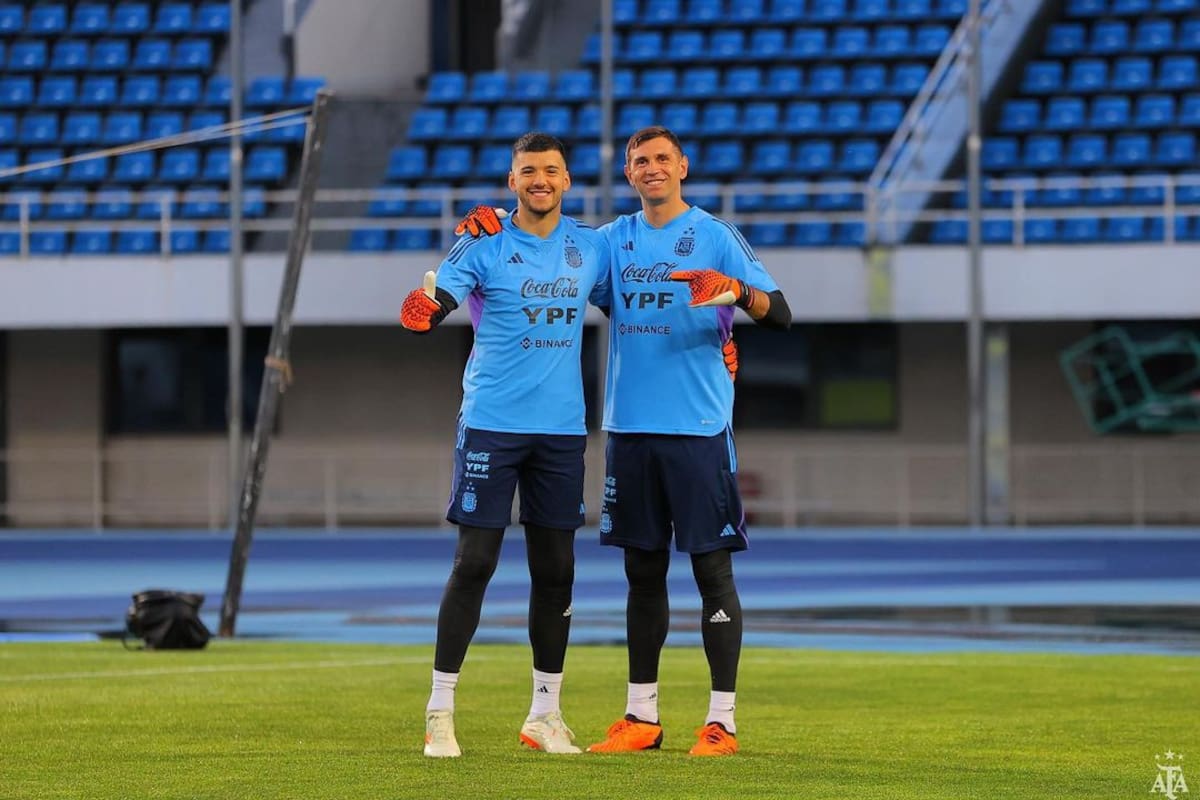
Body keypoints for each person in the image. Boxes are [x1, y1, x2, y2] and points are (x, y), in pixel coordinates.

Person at [455, 126, 791, 757]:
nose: (652, 168)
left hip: (697, 428)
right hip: (629, 429)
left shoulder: (716, 236)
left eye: (663, 158)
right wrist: (489, 222)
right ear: (630, 175)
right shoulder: (611, 243)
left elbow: (781, 310)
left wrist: (738, 296)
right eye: (641, 161)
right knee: (643, 573)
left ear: (683, 166)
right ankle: (642, 717)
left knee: (712, 572)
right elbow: (548, 246)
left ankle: (722, 721)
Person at [401, 132, 610, 758]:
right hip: (492, 422)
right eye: (528, 171)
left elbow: (634, 308)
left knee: (557, 574)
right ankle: (440, 711)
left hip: (562, 432)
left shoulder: (590, 249)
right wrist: (423, 304)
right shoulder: (485, 240)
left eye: (551, 170)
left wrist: (719, 334)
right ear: (512, 180)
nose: (540, 180)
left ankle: (544, 716)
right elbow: (428, 306)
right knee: (475, 565)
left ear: (567, 180)